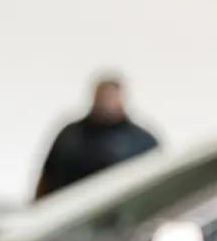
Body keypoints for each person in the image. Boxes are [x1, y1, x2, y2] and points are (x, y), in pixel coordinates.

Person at [35, 72, 159, 200]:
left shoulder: (142, 142)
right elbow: (46, 181)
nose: (107, 102)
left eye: (112, 96)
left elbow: (157, 185)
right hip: (73, 211)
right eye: (104, 96)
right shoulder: (69, 137)